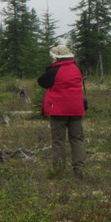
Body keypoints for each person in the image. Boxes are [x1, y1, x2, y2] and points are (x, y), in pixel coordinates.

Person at [37, 44, 87, 177]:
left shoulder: (54, 70)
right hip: (76, 109)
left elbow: (42, 82)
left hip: (58, 110)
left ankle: (59, 170)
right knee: (77, 139)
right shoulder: (77, 68)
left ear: (57, 57)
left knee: (59, 141)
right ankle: (79, 169)